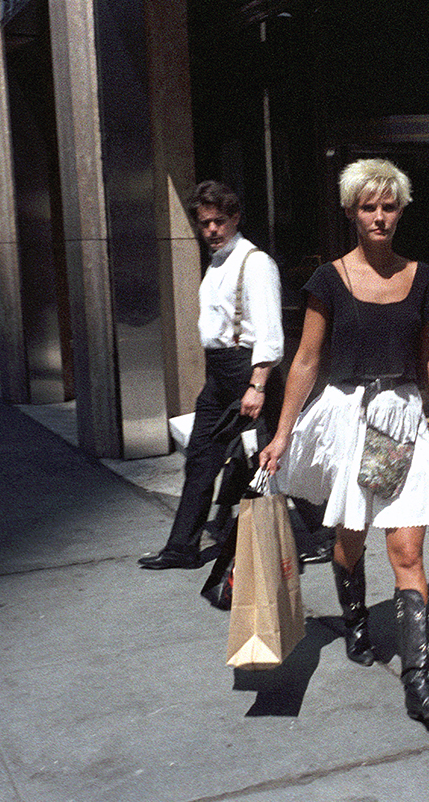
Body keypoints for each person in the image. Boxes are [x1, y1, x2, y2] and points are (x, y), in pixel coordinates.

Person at [259, 158, 429, 721]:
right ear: (352, 212)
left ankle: (418, 680)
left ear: (401, 210)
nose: (379, 217)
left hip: (398, 424)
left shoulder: (422, 278)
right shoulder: (330, 279)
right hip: (349, 420)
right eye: (368, 207)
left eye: (389, 206)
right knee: (349, 538)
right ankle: (355, 621)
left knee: (406, 548)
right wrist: (282, 434)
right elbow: (305, 360)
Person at [139, 180, 284, 569]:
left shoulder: (255, 263)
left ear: (235, 218)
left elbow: (270, 333)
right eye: (204, 223)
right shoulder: (217, 263)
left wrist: (257, 386)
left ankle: (313, 537)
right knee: (201, 457)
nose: (212, 230)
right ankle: (181, 547)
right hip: (218, 373)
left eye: (219, 221)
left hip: (248, 370)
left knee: (266, 460)